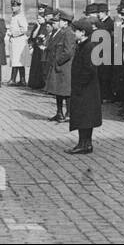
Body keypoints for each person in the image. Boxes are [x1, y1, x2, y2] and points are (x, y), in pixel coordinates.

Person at [68, 18, 100, 154]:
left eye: (75, 31)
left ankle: (85, 144)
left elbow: (89, 69)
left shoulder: (89, 47)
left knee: (85, 117)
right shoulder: (82, 45)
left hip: (86, 89)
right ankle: (84, 143)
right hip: (83, 88)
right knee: (83, 117)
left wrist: (80, 84)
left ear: (82, 32)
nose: (73, 33)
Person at [42, 11, 74, 122]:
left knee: (66, 91)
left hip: (64, 67)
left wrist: (58, 61)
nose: (58, 22)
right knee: (58, 91)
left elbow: (68, 52)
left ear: (65, 22)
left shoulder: (69, 33)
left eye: (60, 20)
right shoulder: (62, 32)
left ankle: (69, 113)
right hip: (59, 66)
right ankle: (59, 113)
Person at [6, 1, 29, 86]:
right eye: (12, 6)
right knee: (16, 60)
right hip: (15, 40)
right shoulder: (14, 16)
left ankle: (14, 79)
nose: (13, 8)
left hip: (19, 40)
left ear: (19, 7)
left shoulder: (20, 16)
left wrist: (13, 33)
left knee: (18, 60)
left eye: (15, 6)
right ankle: (21, 80)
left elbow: (24, 29)